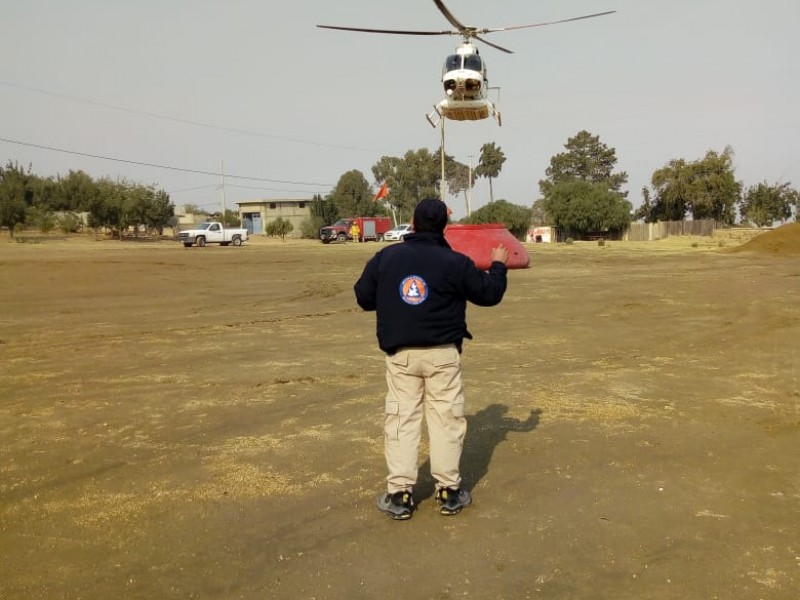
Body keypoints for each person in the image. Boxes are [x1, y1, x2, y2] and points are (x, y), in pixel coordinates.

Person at [354, 198, 509, 520]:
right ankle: (449, 491)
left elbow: (363, 297)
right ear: (443, 226)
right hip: (442, 356)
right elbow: (489, 294)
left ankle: (400, 494)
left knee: (401, 420)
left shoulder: (386, 257)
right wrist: (498, 265)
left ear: (412, 223)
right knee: (446, 421)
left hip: (401, 357)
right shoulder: (455, 262)